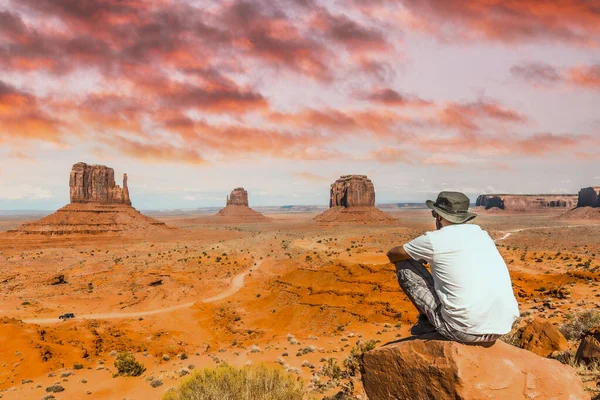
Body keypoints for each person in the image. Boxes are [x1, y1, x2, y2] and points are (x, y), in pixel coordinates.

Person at [387, 191, 519, 343]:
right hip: (500, 329)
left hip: (461, 330)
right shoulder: (482, 234)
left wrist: (417, 257)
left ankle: (428, 323)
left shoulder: (433, 239)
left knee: (405, 263)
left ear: (439, 216)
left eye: (434, 213)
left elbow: (393, 254)